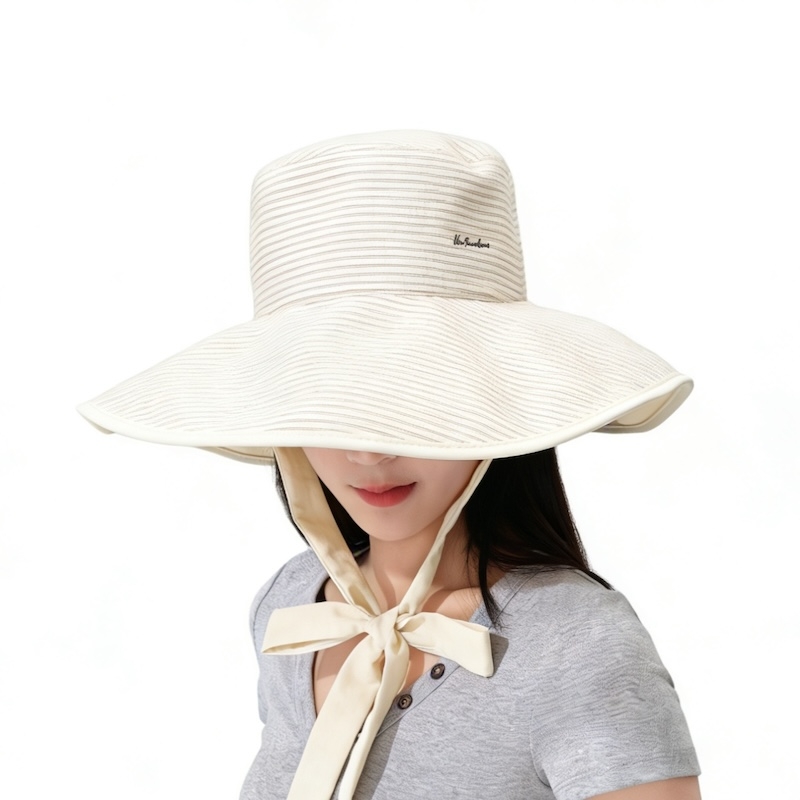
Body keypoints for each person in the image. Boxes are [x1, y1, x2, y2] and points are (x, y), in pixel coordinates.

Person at [78, 130, 701, 799]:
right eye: (328, 403)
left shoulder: (575, 644)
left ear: (492, 398)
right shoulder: (292, 603)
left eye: (412, 397)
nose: (368, 452)